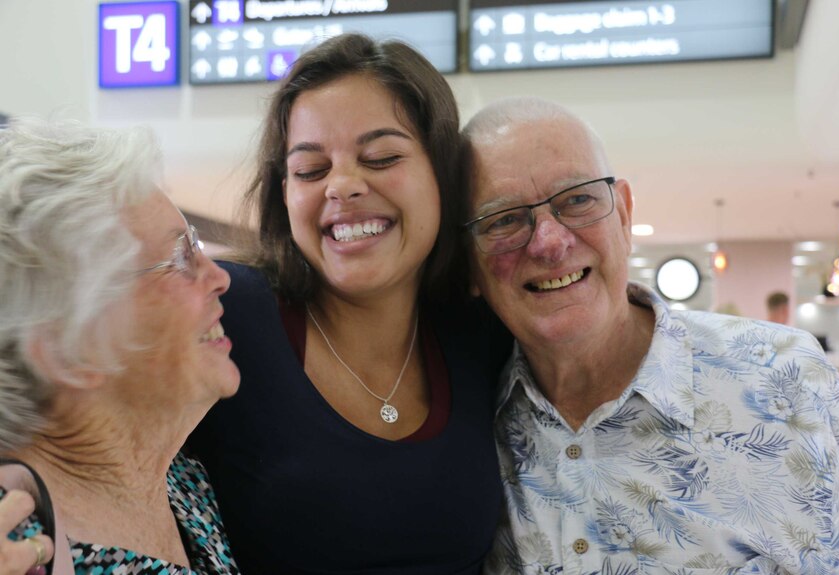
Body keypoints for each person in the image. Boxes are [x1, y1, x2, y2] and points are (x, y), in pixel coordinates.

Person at [459, 97, 839, 574]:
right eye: (504, 220)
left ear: (624, 215)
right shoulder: (465, 418)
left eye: (578, 200)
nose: (550, 241)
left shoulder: (785, 382)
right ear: (468, 264)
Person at [187, 34, 507, 574]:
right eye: (310, 170)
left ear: (443, 175)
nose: (343, 186)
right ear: (282, 193)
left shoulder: (486, 334)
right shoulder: (223, 312)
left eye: (380, 157)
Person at [0, 117, 241, 574]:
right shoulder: (14, 544)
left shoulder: (182, 481)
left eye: (197, 244)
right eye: (179, 258)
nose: (221, 277)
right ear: (68, 349)